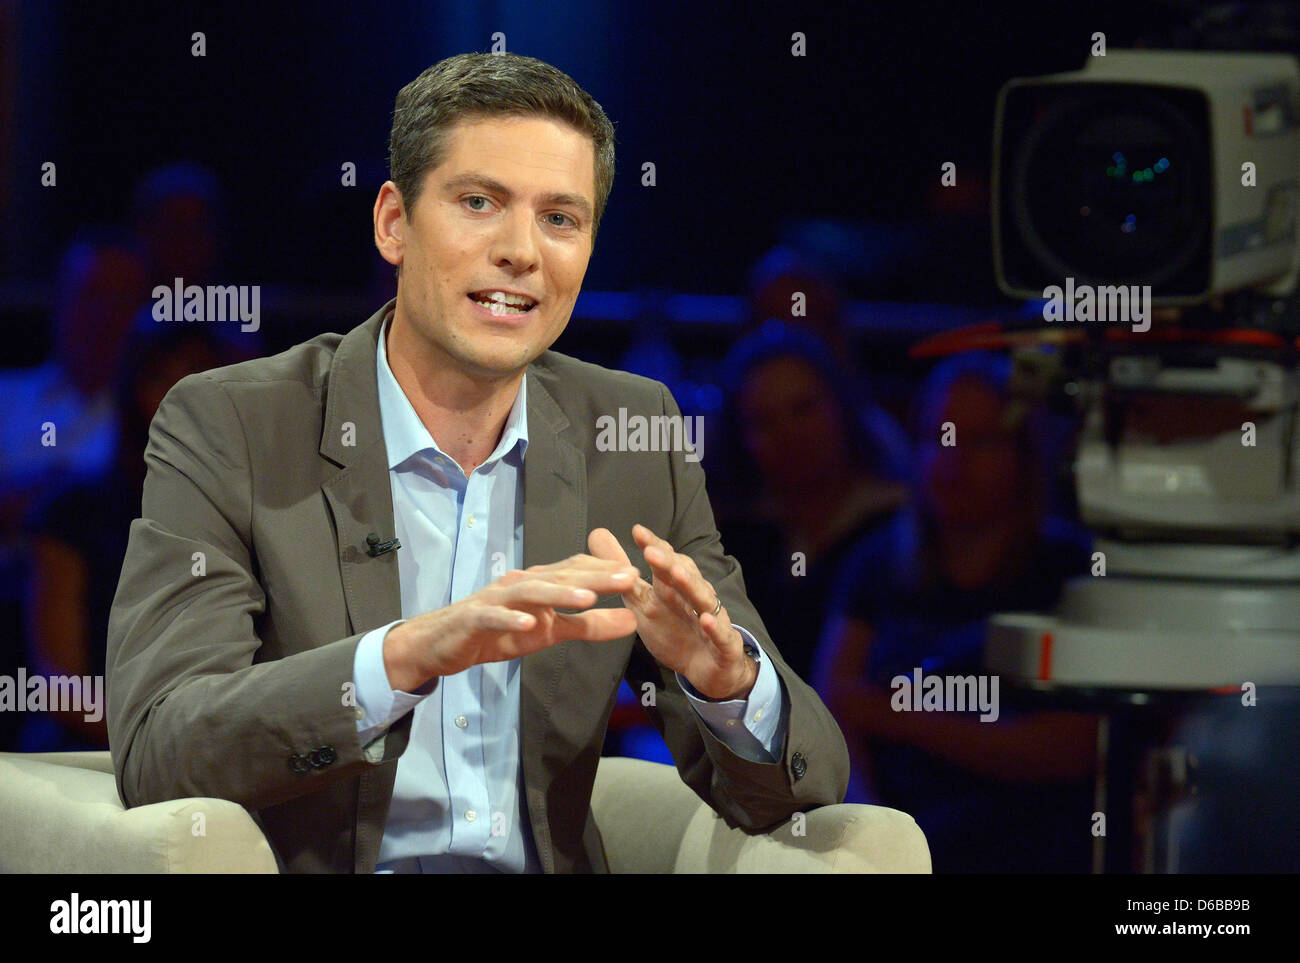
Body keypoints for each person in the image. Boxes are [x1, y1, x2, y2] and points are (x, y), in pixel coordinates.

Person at [106, 52, 850, 874]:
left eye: (561, 219)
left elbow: (800, 786)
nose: (521, 252)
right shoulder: (234, 425)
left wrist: (727, 683)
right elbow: (160, 742)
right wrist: (410, 654)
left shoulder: (632, 433)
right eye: (478, 202)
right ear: (393, 222)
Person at [813, 352, 1098, 872]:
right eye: (937, 437)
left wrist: (898, 716)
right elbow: (831, 713)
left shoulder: (1066, 569)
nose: (953, 458)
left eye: (981, 440)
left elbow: (1070, 748)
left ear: (1024, 454)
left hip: (1032, 850)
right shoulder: (876, 562)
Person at [22, 326, 228, 751]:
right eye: (159, 379)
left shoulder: (253, 511)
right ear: (133, 392)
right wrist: (156, 746)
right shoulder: (72, 513)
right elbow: (60, 685)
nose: (177, 398)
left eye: (196, 377)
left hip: (219, 749)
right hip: (96, 752)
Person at [713, 320, 908, 682]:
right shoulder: (734, 538)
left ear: (841, 407)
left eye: (804, 409)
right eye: (763, 421)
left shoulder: (899, 528)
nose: (789, 435)